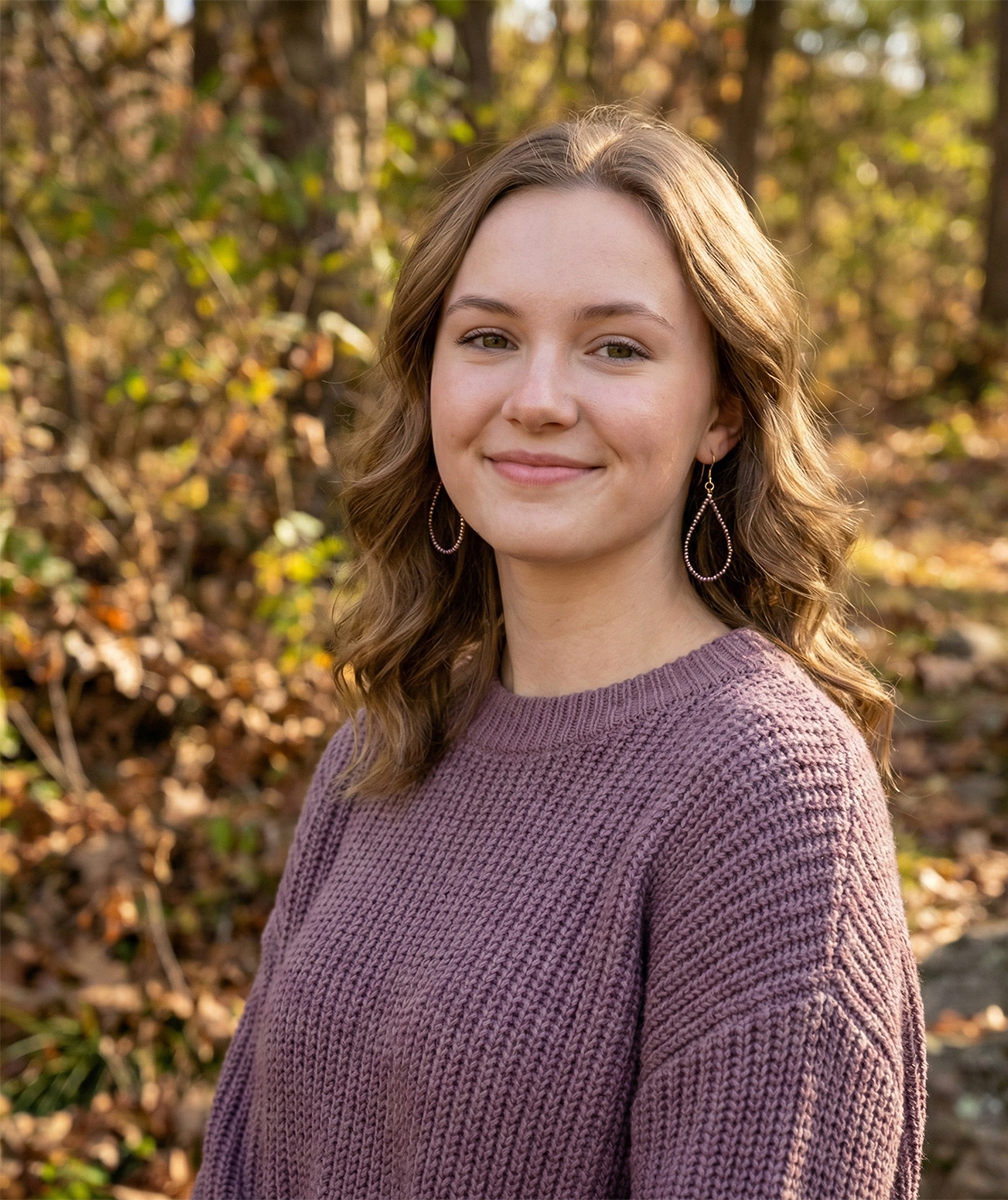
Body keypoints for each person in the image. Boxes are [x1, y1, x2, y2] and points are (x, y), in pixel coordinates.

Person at [192, 106, 925, 1200]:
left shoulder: (771, 789)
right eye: (488, 338)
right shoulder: (382, 746)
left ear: (721, 410)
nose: (536, 401)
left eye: (615, 349)